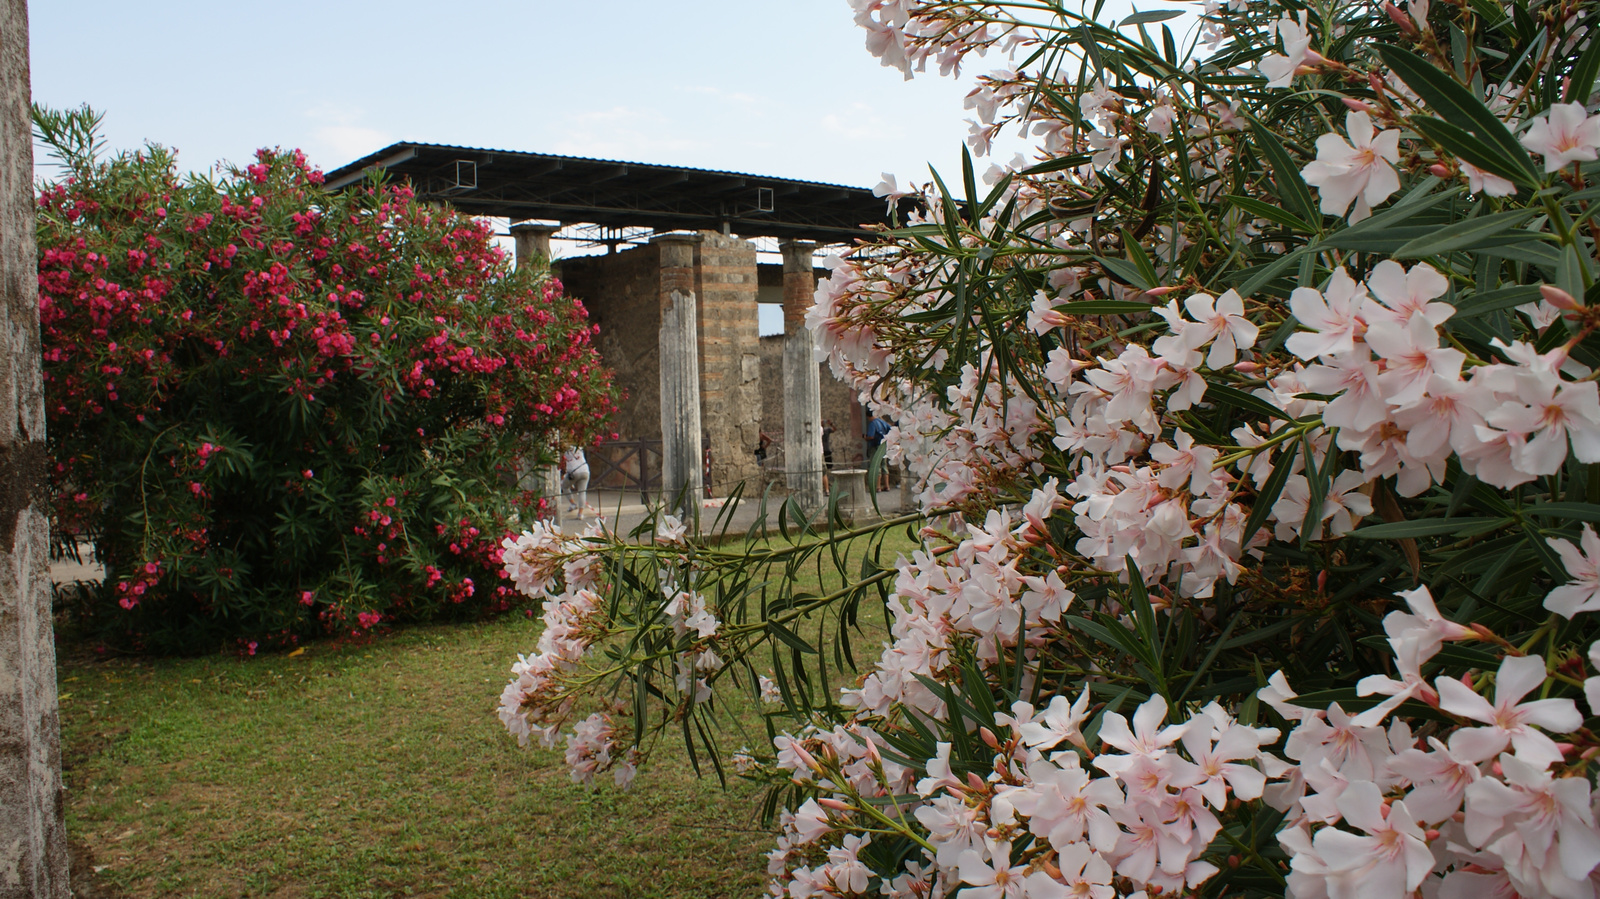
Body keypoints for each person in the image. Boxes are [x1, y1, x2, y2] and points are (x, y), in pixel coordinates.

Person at [863, 414, 892, 491]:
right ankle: (887, 485)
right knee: (884, 465)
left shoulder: (873, 423)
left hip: (875, 446)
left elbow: (871, 436)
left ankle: (877, 487)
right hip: (883, 445)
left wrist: (866, 437)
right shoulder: (882, 422)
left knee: (876, 465)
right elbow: (890, 429)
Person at [562, 446, 592, 517]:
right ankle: (580, 513)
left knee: (565, 487)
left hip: (573, 472)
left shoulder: (565, 450)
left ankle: (573, 504)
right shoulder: (579, 447)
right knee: (582, 492)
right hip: (585, 470)